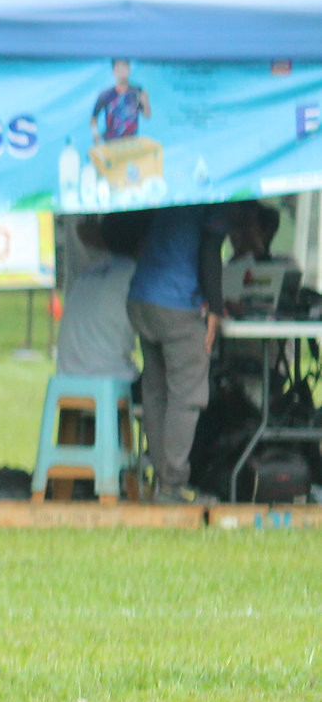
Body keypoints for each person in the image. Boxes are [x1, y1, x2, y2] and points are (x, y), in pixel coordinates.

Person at [127, 202, 230, 502]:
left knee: (156, 391)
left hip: (141, 297)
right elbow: (211, 251)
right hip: (177, 303)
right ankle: (173, 484)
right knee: (186, 395)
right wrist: (215, 307)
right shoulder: (220, 191)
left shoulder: (179, 182)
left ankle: (162, 480)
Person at [55, 216, 141, 379]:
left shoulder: (87, 274)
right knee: (161, 386)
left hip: (66, 378)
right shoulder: (136, 276)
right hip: (110, 377)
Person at [91, 60, 151, 144]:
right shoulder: (105, 95)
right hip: (111, 144)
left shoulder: (137, 91)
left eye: (124, 68)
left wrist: (145, 102)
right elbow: (94, 118)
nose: (121, 72)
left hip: (132, 144)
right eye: (118, 69)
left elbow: (147, 115)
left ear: (129, 70)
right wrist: (95, 134)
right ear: (113, 71)